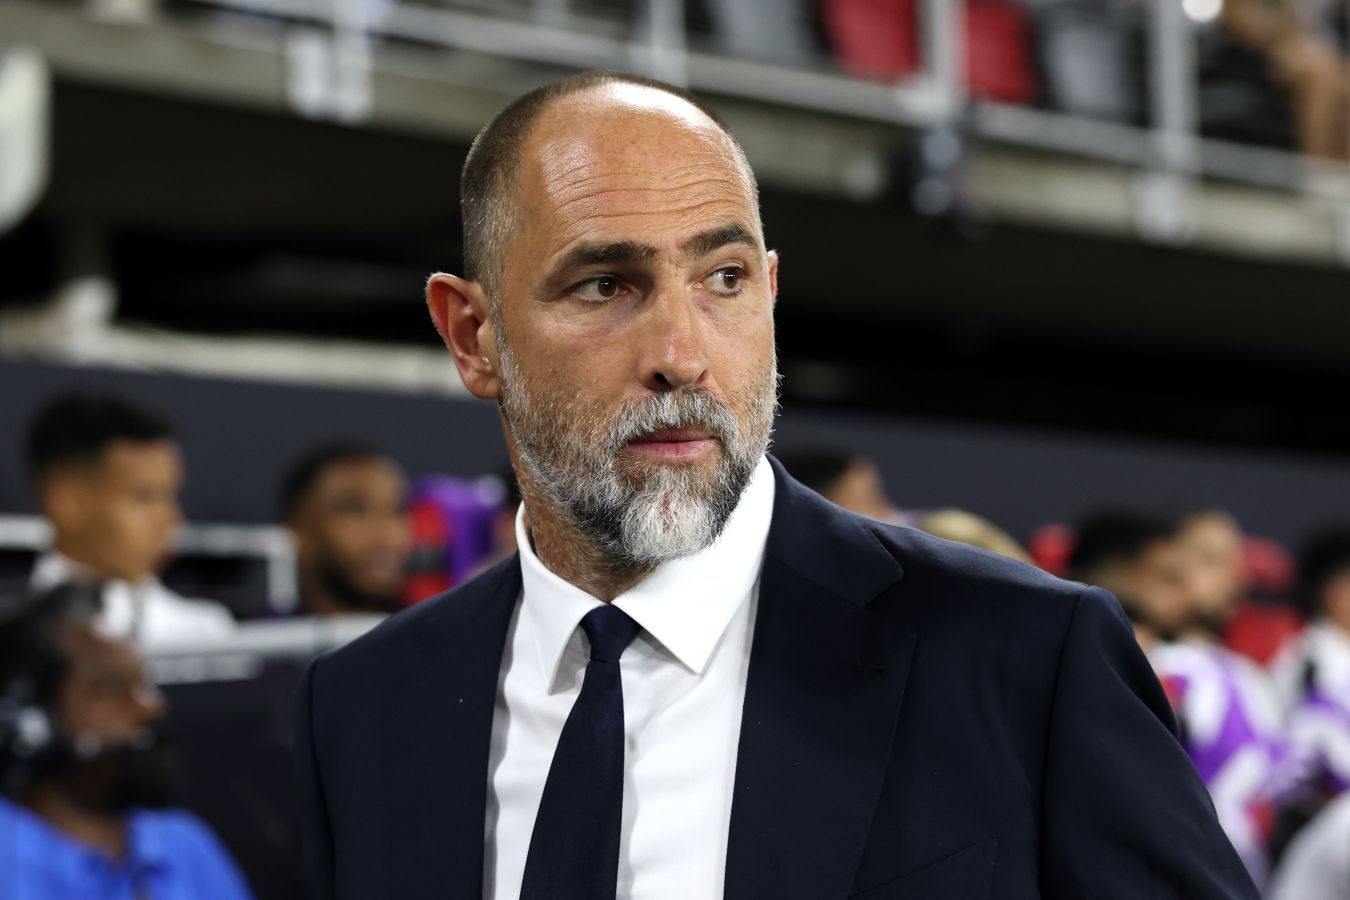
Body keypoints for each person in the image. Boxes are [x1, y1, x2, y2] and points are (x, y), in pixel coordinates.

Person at [295, 70, 1256, 899]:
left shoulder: (1023, 658)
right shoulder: (363, 708)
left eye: (723, 278)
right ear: (473, 337)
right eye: (604, 286)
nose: (682, 355)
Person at [0, 582, 253, 898]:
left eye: (143, 684)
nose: (151, 707)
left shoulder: (185, 844)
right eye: (111, 688)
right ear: (30, 721)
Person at [26, 391, 235, 648]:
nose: (171, 519)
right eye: (144, 496)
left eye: (170, 495)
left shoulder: (206, 632)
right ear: (66, 501)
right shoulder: (17, 640)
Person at [1151, 511, 1285, 887]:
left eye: (1236, 561)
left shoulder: (1249, 675)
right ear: (1161, 563)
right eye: (1211, 560)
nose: (1236, 576)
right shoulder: (1158, 666)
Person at [280, 443, 412, 616]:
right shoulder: (258, 631)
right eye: (356, 510)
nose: (388, 536)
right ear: (299, 532)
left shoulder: (433, 628)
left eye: (397, 510)